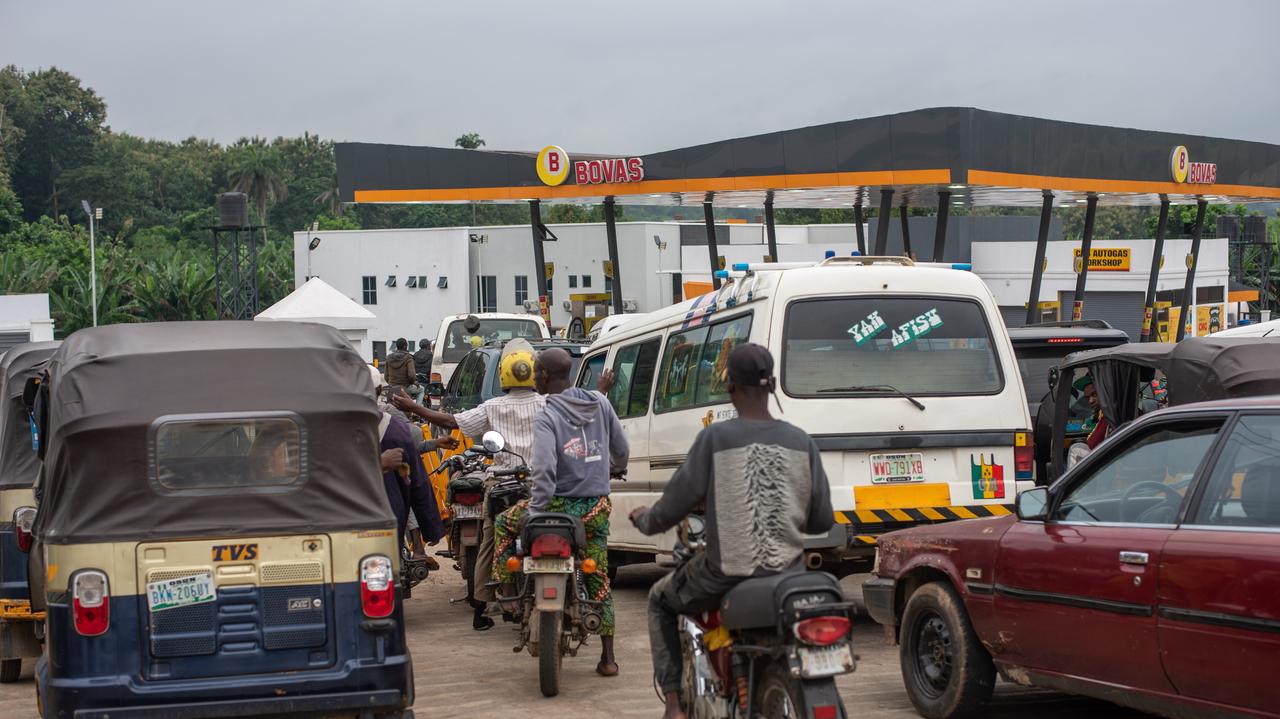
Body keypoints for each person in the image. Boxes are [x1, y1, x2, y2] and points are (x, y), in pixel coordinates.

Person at [628, 344, 833, 719]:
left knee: (659, 600)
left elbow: (671, 509)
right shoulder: (802, 441)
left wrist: (644, 519)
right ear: (772, 385)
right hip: (789, 577)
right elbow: (822, 520)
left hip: (723, 575)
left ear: (730, 385)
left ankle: (673, 705)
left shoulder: (715, 438)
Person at [490, 347, 629, 677]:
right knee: (598, 575)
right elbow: (621, 450)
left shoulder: (547, 416)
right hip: (594, 508)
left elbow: (545, 470)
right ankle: (608, 658)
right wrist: (614, 468)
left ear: (543, 376)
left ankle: (508, 594)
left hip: (554, 506)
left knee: (503, 523)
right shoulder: (600, 403)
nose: (533, 378)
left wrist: (536, 511)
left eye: (535, 372)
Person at [392, 338, 546, 631]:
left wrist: (416, 408)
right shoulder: (548, 404)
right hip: (542, 487)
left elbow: (451, 421)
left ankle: (480, 607)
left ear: (503, 374)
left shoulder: (493, 407)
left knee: (490, 541)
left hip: (504, 487)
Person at [368, 365, 446, 565]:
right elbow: (418, 484)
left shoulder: (329, 430)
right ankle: (418, 548)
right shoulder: (395, 429)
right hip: (389, 519)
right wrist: (432, 529)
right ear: (379, 390)